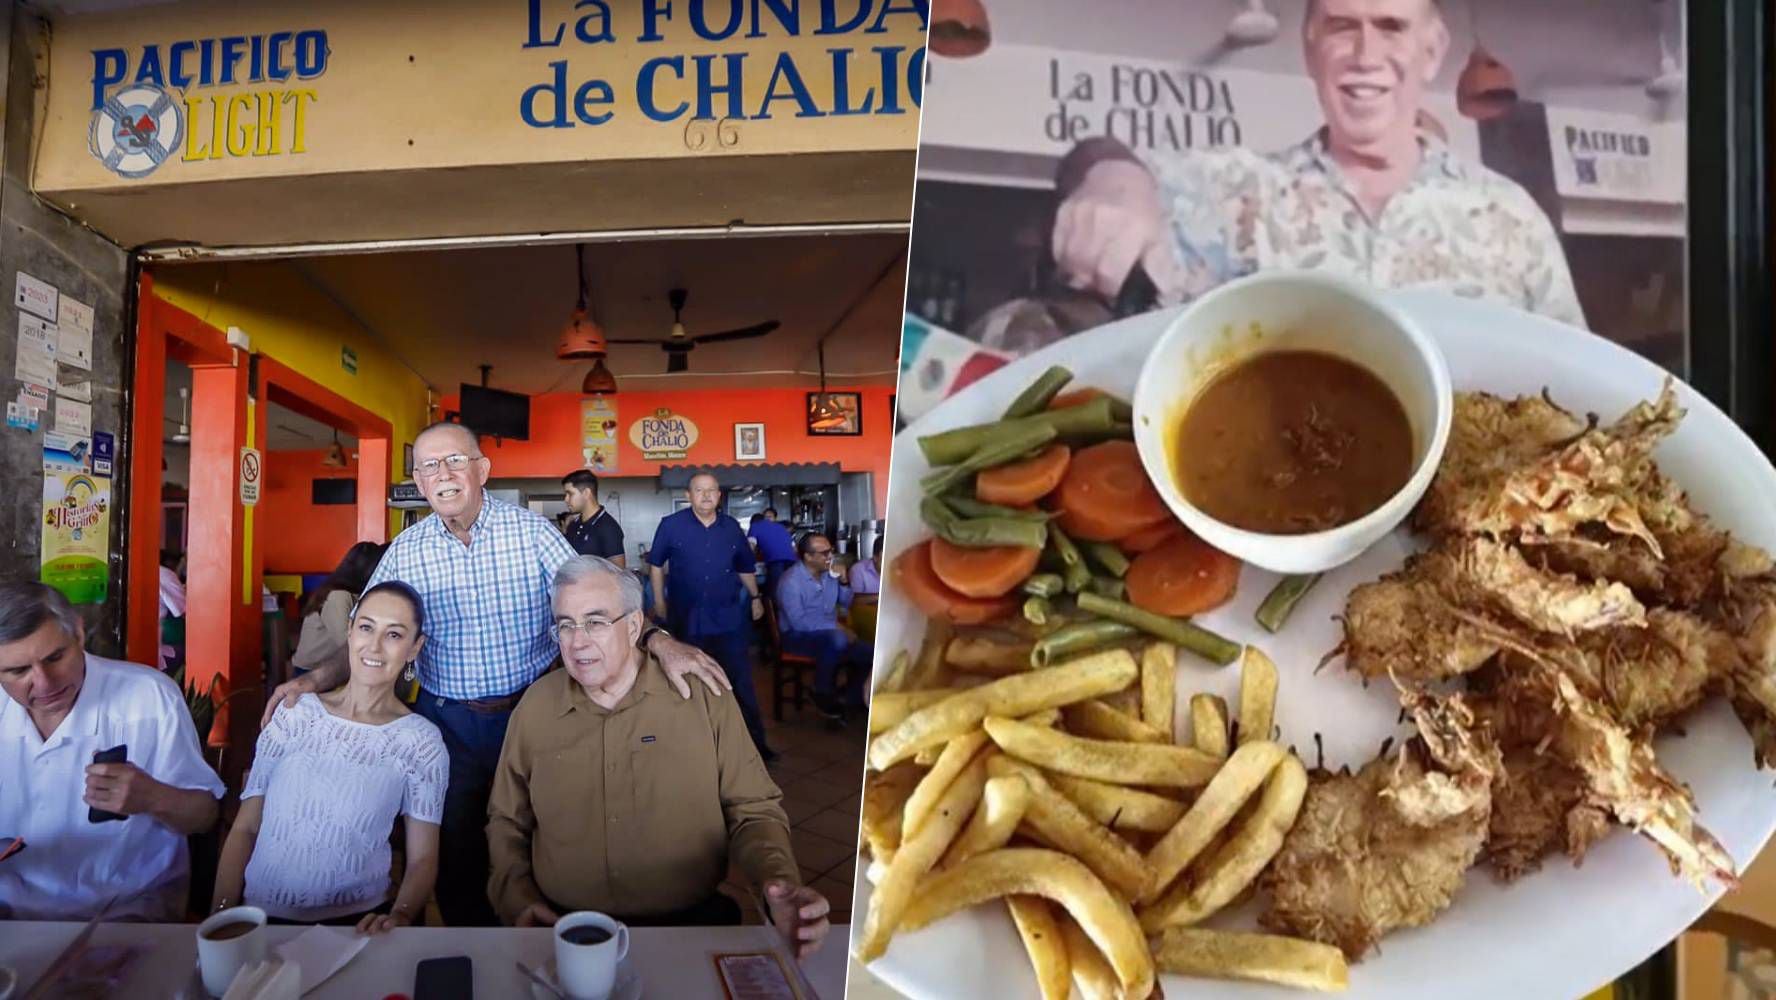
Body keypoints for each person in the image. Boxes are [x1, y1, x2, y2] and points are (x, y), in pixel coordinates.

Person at [264, 421, 729, 927]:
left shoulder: (531, 535)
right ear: (419, 483)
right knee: (458, 849)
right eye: (429, 466)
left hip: (536, 712)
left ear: (482, 470)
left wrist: (661, 641)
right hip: (448, 726)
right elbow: (367, 636)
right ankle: (477, 953)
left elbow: (597, 600)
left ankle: (553, 947)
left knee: (551, 836)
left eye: (455, 461)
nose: (443, 474)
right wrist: (314, 679)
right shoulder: (406, 551)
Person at [1048, 0, 1585, 334]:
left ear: (1432, 49)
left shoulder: (1509, 216)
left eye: (1392, 25)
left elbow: (1583, 389)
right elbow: (1096, 156)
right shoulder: (1241, 194)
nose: (1366, 54)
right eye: (1342, 25)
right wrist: (1114, 181)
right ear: (1310, 46)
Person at [487, 556, 830, 957]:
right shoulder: (536, 707)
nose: (577, 641)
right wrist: (517, 895)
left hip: (688, 925)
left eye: (596, 622)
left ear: (634, 626)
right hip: (563, 928)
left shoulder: (701, 696)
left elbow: (752, 808)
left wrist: (777, 881)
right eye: (565, 624)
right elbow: (507, 819)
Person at [213, 581, 445, 931]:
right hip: (258, 921)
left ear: (415, 648)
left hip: (357, 926)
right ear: (350, 632)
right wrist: (223, 916)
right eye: (366, 627)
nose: (375, 646)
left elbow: (423, 857)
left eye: (394, 635)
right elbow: (246, 827)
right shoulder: (295, 713)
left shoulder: (421, 741)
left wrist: (400, 915)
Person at [0, 581, 224, 921]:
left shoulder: (147, 696)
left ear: (78, 632)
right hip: (11, 914)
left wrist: (152, 797)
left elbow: (205, 816)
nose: (45, 683)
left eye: (56, 657)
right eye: (18, 671)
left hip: (126, 910)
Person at [649, 473, 775, 762]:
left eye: (711, 491)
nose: (705, 496)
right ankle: (693, 751)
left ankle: (757, 747)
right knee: (688, 683)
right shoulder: (671, 525)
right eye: (699, 490)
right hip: (685, 617)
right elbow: (656, 565)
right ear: (689, 494)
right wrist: (659, 602)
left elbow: (745, 566)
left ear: (719, 496)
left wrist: (755, 597)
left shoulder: (731, 527)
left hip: (727, 619)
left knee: (739, 681)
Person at [775, 534, 872, 719]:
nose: (830, 556)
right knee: (838, 638)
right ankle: (822, 691)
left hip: (829, 636)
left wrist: (844, 581)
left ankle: (847, 698)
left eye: (831, 551)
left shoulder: (830, 574)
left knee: (871, 654)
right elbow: (798, 621)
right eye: (824, 553)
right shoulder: (790, 582)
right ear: (808, 556)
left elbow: (846, 603)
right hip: (796, 636)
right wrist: (836, 626)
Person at [290, 541, 387, 679]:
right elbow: (347, 643)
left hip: (331, 670)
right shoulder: (338, 596)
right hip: (312, 675)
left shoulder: (354, 595)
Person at [561, 468, 625, 566]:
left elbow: (619, 574)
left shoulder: (608, 527)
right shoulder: (573, 525)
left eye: (570, 494)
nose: (566, 499)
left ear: (586, 493)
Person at [746, 507, 798, 595]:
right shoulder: (781, 526)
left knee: (775, 592)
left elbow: (750, 548)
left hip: (775, 561)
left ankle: (770, 606)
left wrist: (747, 563)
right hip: (793, 561)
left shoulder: (755, 526)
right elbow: (794, 548)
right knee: (790, 590)